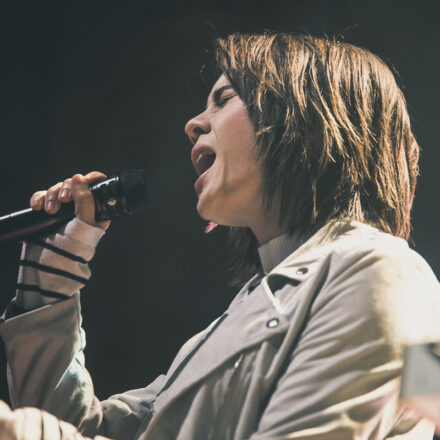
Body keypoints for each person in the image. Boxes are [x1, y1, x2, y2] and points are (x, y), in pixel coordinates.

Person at [0, 32, 439, 439]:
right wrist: (55, 266)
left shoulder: (383, 272)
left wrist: (19, 431)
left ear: (307, 117)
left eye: (224, 98)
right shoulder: (242, 313)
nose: (193, 123)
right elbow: (89, 429)